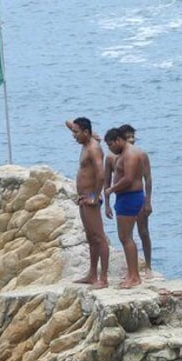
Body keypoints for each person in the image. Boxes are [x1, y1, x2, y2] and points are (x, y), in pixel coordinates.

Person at [66, 117, 109, 289]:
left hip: (91, 196)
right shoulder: (85, 142)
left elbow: (101, 174)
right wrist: (75, 127)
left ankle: (103, 278)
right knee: (90, 237)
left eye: (76, 132)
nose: (73, 135)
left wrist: (95, 196)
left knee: (99, 237)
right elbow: (67, 122)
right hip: (83, 196)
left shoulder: (93, 148)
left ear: (85, 132)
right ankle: (92, 274)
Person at [105, 124, 153, 278]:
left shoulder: (136, 154)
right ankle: (133, 272)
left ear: (118, 140)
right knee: (126, 236)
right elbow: (107, 180)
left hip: (132, 197)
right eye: (129, 137)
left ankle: (143, 270)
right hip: (123, 197)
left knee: (139, 233)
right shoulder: (114, 157)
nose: (132, 139)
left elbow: (138, 178)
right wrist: (107, 201)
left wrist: (148, 201)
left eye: (133, 136)